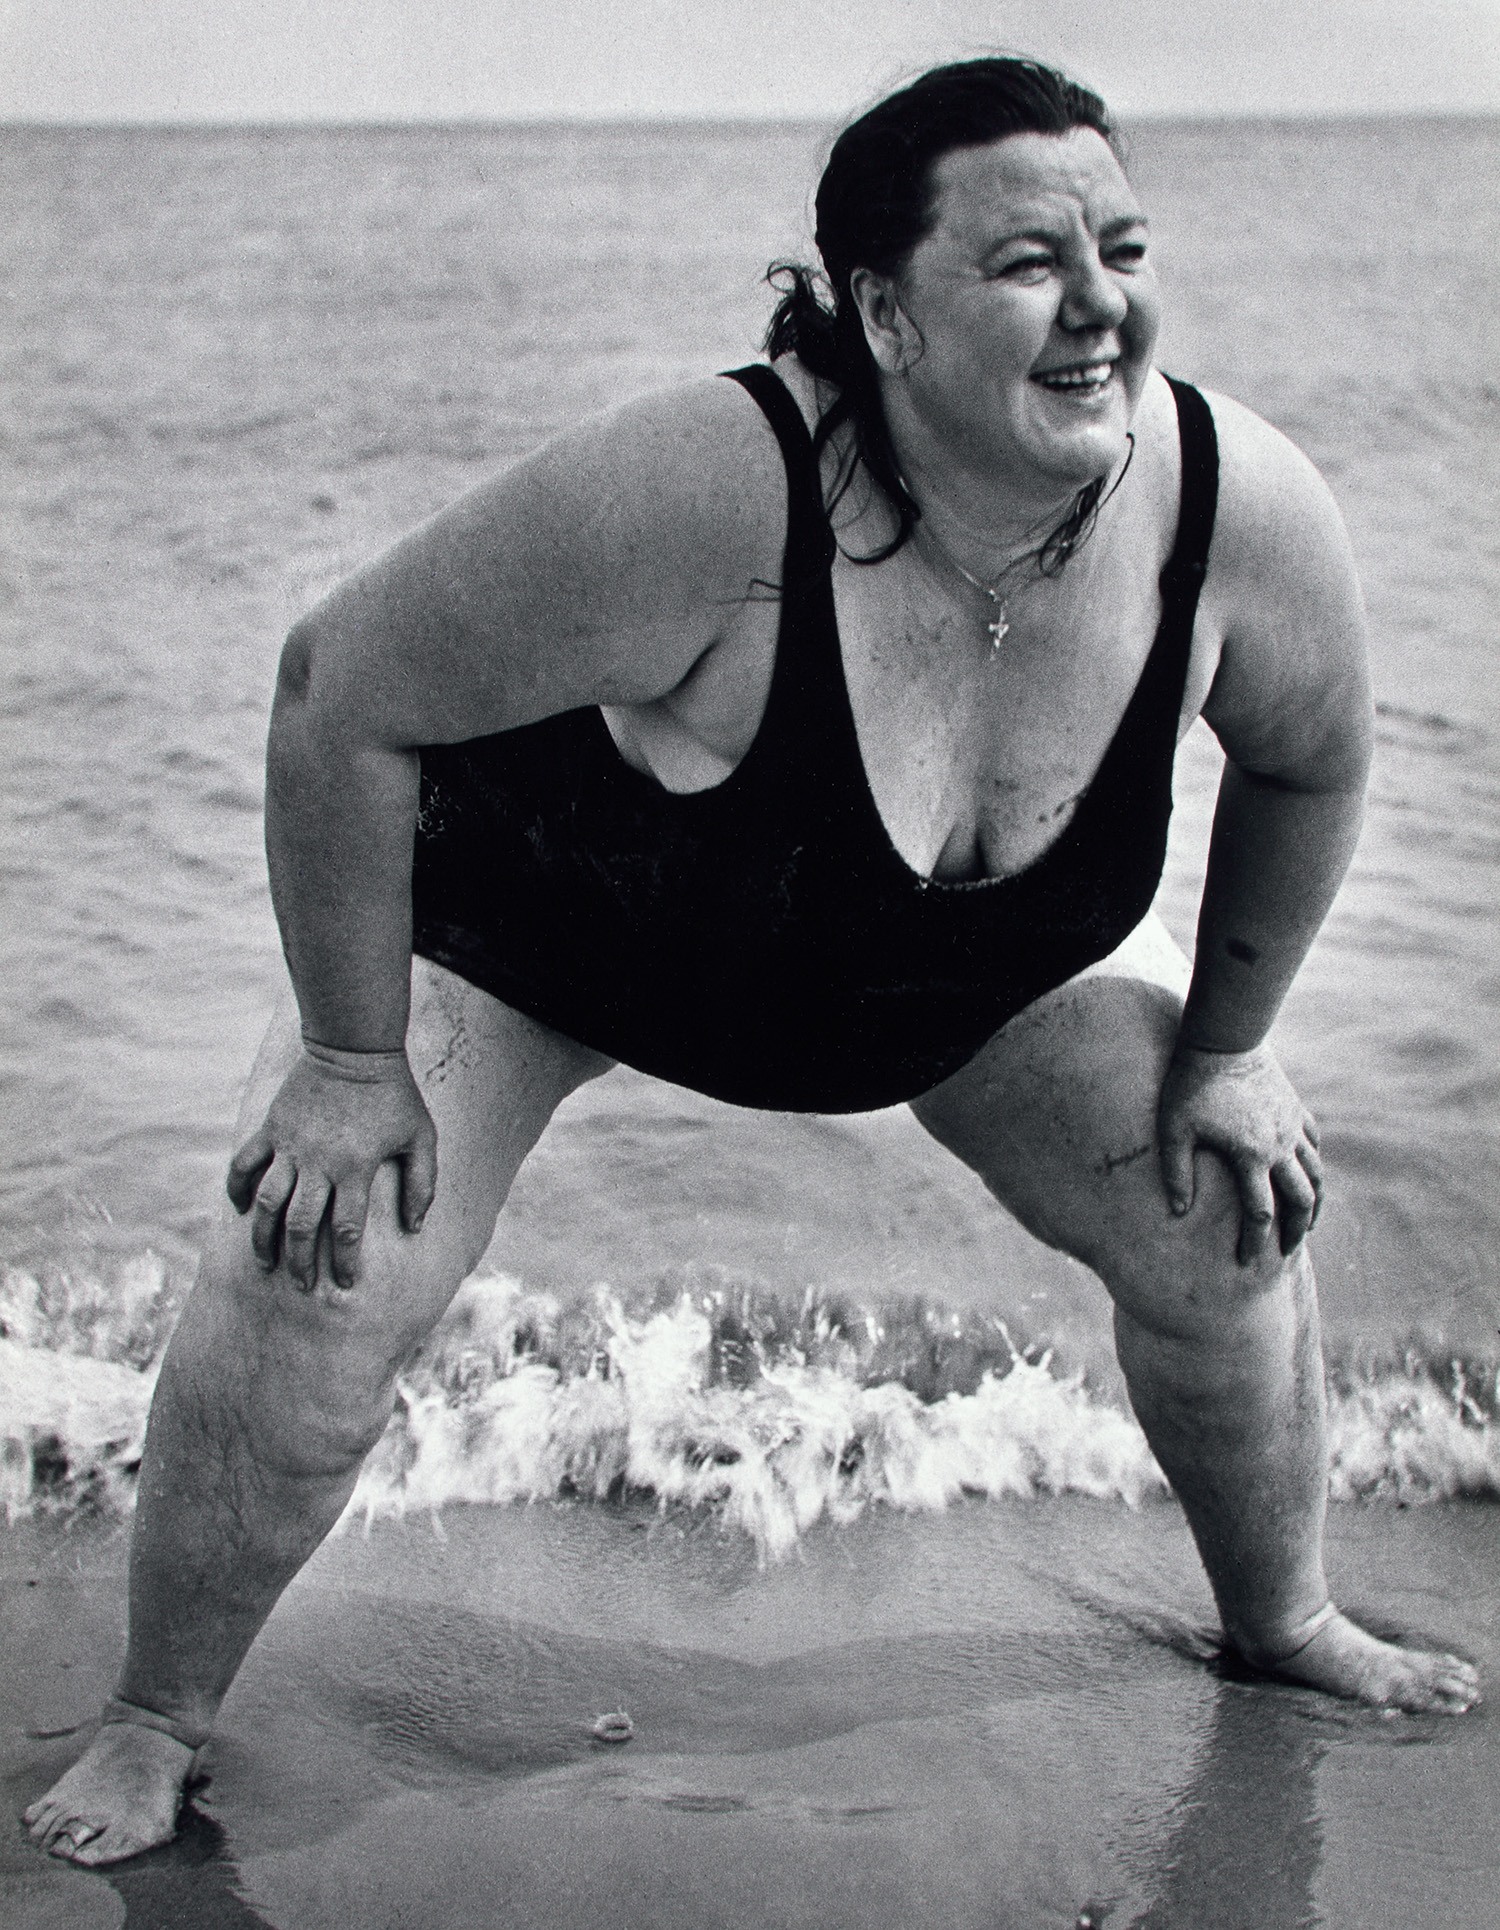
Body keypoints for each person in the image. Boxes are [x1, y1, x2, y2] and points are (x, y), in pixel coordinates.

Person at [25, 54, 1479, 1867]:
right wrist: (346, 1059)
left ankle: (1285, 1618)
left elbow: (1314, 757)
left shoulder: (1234, 512)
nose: (1102, 302)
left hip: (958, 965)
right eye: (1030, 262)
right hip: (560, 927)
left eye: (1123, 247)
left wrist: (1236, 1041)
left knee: (1226, 1205)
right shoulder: (715, 492)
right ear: (886, 312)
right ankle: (158, 1714)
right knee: (324, 1249)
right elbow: (338, 688)